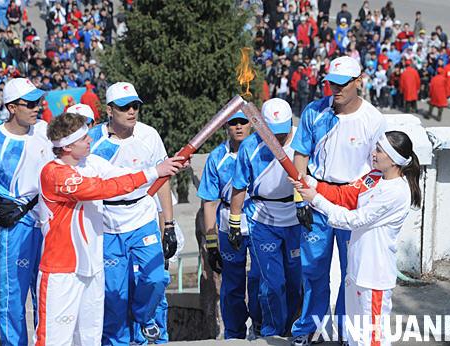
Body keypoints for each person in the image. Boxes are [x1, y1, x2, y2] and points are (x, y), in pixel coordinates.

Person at [34, 113, 186, 345]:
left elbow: (124, 176)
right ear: (66, 146)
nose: (90, 141)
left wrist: (166, 166)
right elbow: (103, 188)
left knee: (90, 337)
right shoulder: (53, 174)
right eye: (83, 138)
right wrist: (155, 172)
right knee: (55, 339)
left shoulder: (92, 163)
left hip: (92, 267)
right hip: (62, 271)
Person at [290, 56, 386, 345]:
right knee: (314, 271)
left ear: (359, 81)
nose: (336, 88)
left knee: (351, 274)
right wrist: (300, 199)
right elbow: (301, 156)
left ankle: (347, 333)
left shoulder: (374, 119)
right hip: (317, 199)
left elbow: (378, 168)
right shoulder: (314, 112)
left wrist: (362, 199)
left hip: (352, 203)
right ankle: (310, 329)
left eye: (343, 84)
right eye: (331, 83)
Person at [292, 131, 421, 346]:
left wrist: (315, 200)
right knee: (354, 336)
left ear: (393, 159)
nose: (374, 152)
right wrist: (312, 183)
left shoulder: (397, 192)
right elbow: (345, 195)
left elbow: (354, 220)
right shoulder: (374, 177)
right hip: (356, 270)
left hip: (374, 276)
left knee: (372, 339)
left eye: (379, 150)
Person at [88, 82, 178, 344]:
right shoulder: (93, 140)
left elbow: (162, 180)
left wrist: (169, 225)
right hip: (108, 223)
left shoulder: (149, 135)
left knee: (155, 278)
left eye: (135, 106)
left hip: (142, 215)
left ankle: (144, 317)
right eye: (124, 107)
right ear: (109, 110)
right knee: (114, 293)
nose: (132, 111)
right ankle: (117, 341)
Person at [0, 78, 52, 346]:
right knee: (13, 298)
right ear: (12, 107)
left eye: (39, 102)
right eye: (30, 104)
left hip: (48, 224)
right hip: (15, 228)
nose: (37, 108)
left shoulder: (44, 130)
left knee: (46, 296)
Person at [230, 98, 302, 337]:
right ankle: (272, 332)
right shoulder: (250, 147)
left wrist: (308, 205)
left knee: (294, 281)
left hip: (296, 220)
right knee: (273, 282)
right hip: (263, 220)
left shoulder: (301, 141)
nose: (278, 139)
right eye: (273, 133)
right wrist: (234, 222)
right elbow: (239, 187)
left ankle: (293, 329)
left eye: (283, 132)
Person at [197, 111, 261, 339]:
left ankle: (261, 328)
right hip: (227, 224)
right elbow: (208, 201)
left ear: (251, 124)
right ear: (226, 126)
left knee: (259, 280)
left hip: (258, 220)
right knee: (232, 284)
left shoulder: (262, 152)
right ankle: (234, 334)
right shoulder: (217, 157)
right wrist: (211, 242)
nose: (239, 127)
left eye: (243, 122)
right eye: (233, 123)